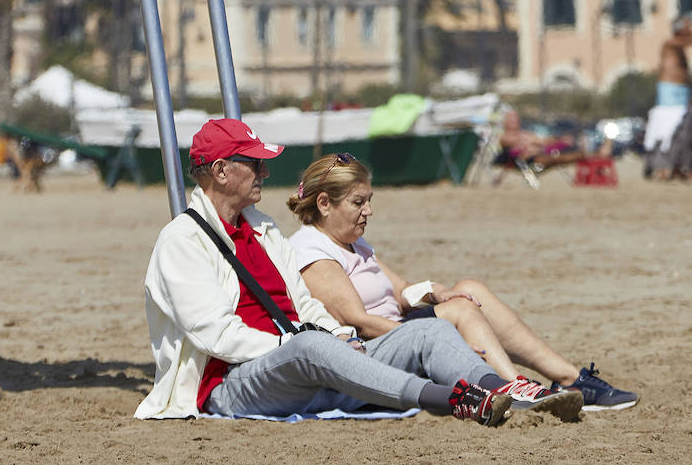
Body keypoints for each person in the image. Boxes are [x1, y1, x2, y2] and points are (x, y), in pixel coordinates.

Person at [136, 118, 579, 425]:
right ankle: (454, 400)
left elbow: (303, 302)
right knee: (310, 344)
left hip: (305, 362)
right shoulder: (182, 241)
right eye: (253, 163)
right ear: (219, 171)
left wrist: (339, 337)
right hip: (231, 384)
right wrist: (306, 342)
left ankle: (504, 391)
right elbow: (217, 336)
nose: (264, 171)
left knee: (430, 331)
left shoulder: (264, 229)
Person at [288, 153, 637, 412]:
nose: (369, 211)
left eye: (369, 201)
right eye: (358, 202)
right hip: (374, 351)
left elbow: (402, 292)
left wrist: (435, 290)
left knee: (469, 290)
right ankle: (512, 386)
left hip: (398, 332)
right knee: (460, 310)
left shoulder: (350, 240)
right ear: (324, 204)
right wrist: (431, 334)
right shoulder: (312, 251)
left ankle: (568, 378)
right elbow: (358, 323)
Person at [644, 18, 692, 179]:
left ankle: (680, 166)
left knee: (684, 130)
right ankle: (661, 167)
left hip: (681, 91)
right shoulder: (670, 44)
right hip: (669, 91)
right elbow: (688, 42)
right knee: (669, 129)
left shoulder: (679, 49)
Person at [496, 109, 589, 172]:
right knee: (557, 157)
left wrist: (560, 139)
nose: (515, 121)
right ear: (506, 122)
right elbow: (516, 143)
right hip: (530, 161)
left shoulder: (525, 134)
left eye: (516, 119)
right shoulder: (504, 137)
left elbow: (543, 141)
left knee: (562, 153)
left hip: (541, 155)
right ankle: (583, 155)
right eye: (512, 119)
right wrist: (531, 144)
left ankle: (585, 155)